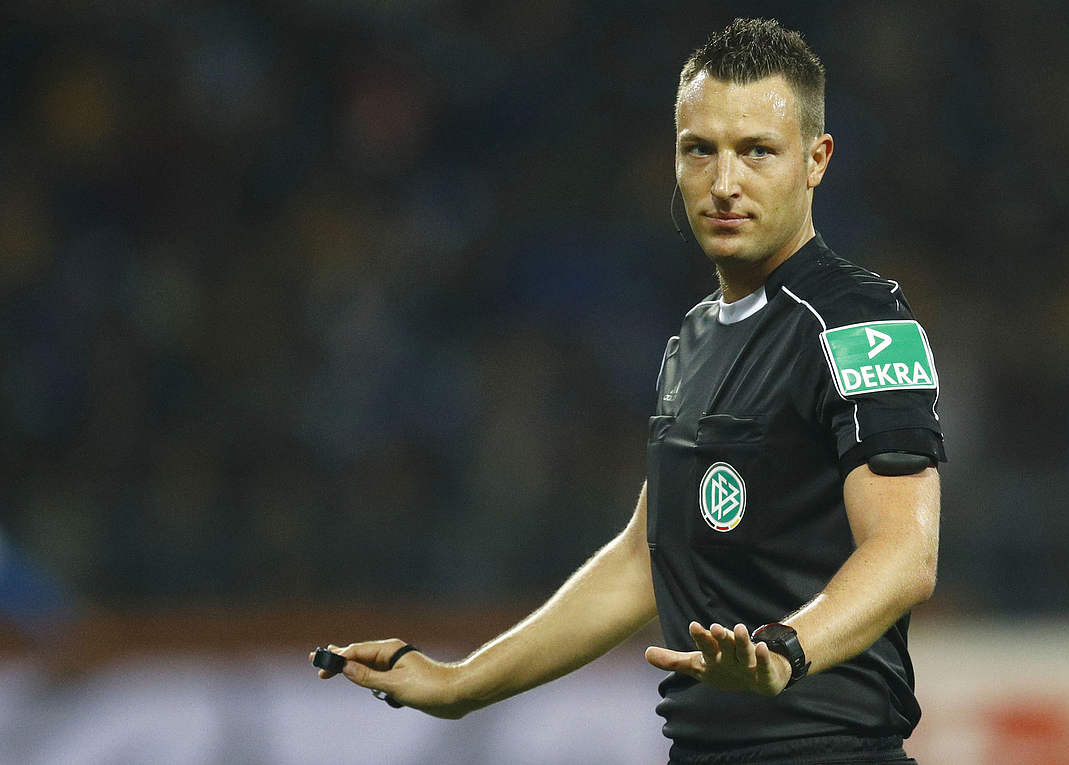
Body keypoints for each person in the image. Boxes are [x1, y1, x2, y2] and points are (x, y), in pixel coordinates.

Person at [313, 18, 944, 764]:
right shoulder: (693, 339)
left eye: (757, 151)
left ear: (816, 160)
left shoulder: (859, 321)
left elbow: (905, 549)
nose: (724, 182)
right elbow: (644, 563)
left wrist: (786, 649)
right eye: (699, 150)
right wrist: (459, 683)